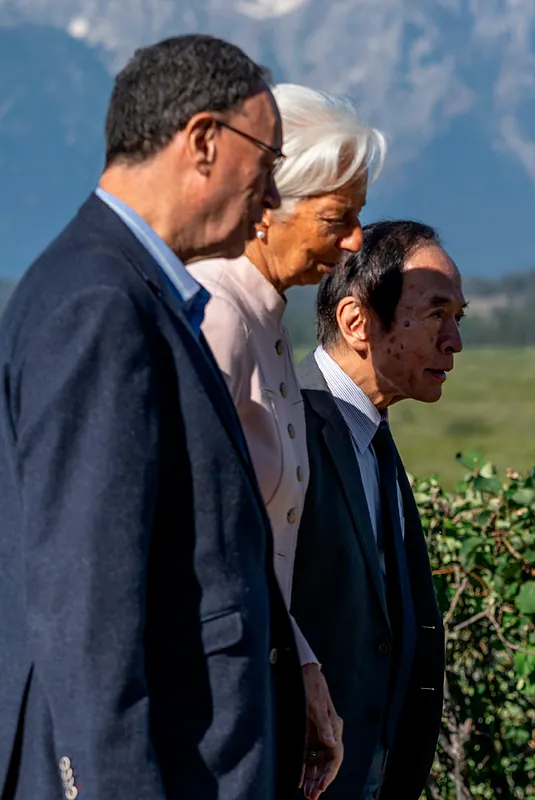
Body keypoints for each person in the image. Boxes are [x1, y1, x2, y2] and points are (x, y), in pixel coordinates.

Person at [0, 34, 305, 799]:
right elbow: (85, 605)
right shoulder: (102, 306)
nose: (272, 197)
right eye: (268, 166)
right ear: (204, 141)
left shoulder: (131, 292)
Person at [188, 82, 387, 800]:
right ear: (266, 207)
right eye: (337, 217)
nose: (356, 240)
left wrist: (303, 670)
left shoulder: (268, 322)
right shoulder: (219, 319)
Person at [289, 220, 464, 800]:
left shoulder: (375, 436)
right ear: (356, 321)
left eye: (458, 317)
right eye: (437, 313)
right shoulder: (285, 427)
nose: (454, 341)